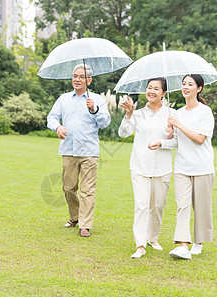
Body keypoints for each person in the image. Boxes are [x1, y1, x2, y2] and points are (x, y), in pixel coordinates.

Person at [150, 74, 215, 260]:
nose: (185, 87)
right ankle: (183, 245)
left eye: (190, 84)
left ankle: (198, 243)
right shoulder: (177, 112)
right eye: (184, 84)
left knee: (201, 207)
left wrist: (179, 124)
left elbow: (200, 139)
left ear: (199, 88)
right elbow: (177, 142)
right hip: (181, 168)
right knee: (182, 206)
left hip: (202, 168)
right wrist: (165, 139)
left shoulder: (205, 112)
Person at [47, 64, 111, 237]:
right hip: (68, 150)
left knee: (88, 189)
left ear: (89, 80)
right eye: (75, 76)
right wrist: (57, 127)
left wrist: (94, 110)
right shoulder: (64, 99)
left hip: (89, 151)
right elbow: (51, 118)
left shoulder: (96, 100)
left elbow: (105, 122)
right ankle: (75, 216)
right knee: (68, 187)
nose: (77, 79)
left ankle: (85, 224)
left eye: (81, 76)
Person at [118, 77, 178, 258]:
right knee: (142, 206)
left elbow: (175, 142)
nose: (151, 91)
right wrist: (128, 114)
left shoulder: (172, 114)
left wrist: (163, 141)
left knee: (158, 206)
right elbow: (123, 133)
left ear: (164, 93)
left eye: (156, 89)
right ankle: (140, 245)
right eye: (149, 88)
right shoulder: (138, 114)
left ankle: (153, 238)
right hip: (140, 166)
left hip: (162, 167)